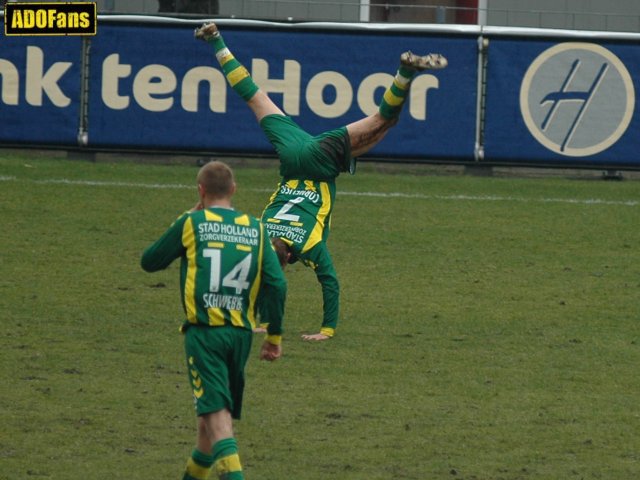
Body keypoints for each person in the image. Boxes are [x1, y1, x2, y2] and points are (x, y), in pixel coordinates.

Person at [195, 22, 447, 341]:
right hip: (293, 154)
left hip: (319, 159)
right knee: (253, 96)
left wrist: (326, 331)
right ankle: (215, 38)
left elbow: (328, 282)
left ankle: (405, 69)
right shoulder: (258, 234)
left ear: (287, 259)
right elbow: (256, 272)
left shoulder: (308, 245)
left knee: (384, 120)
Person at [140, 160, 287, 480]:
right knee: (206, 436)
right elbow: (278, 283)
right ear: (234, 190)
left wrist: (186, 217)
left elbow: (149, 261)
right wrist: (273, 336)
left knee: (219, 425)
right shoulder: (257, 228)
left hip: (205, 336)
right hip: (240, 336)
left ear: (201, 190)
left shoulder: (192, 223)